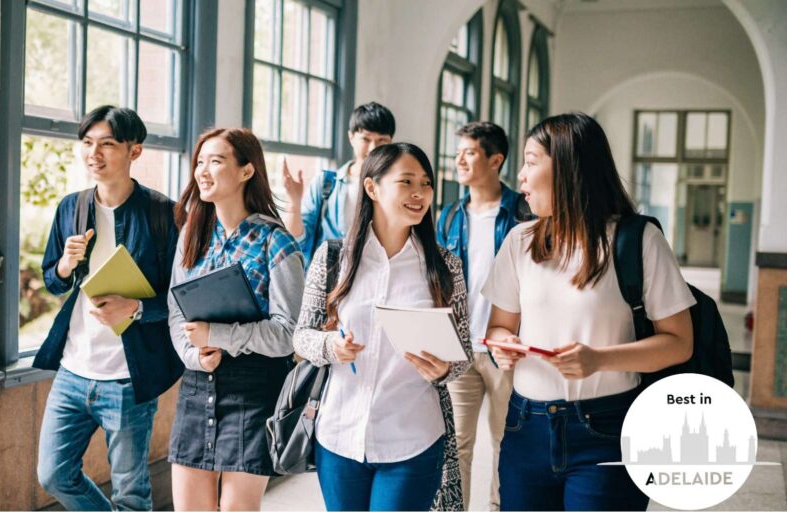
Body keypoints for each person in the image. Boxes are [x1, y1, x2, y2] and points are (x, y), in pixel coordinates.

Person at [483, 112, 695, 511]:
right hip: (525, 426)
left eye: (531, 161)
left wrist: (598, 360)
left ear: (565, 167)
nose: (521, 177)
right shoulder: (519, 241)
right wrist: (502, 345)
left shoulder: (638, 240)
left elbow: (679, 342)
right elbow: (498, 326)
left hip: (608, 428)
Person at [293, 142, 473, 511]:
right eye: (406, 182)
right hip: (339, 435)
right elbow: (301, 338)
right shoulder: (332, 259)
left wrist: (446, 368)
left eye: (426, 183)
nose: (419, 193)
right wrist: (332, 348)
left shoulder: (445, 266)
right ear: (372, 188)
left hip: (413, 437)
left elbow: (463, 352)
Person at [34, 106, 185, 510]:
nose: (93, 154)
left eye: (107, 144)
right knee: (53, 473)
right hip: (73, 370)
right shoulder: (71, 207)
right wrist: (65, 264)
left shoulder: (163, 215)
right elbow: (52, 279)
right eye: (86, 144)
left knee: (131, 494)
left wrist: (135, 307)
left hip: (127, 376)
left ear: (135, 151)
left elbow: (181, 298)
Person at [167, 128, 304, 511]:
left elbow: (288, 334)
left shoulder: (275, 241)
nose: (203, 171)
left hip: (254, 390)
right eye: (199, 162)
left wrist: (219, 335)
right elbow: (176, 311)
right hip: (197, 386)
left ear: (246, 171)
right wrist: (195, 355)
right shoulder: (193, 233)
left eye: (216, 161)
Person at [435, 121, 530, 510]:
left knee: (505, 444)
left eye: (469, 152)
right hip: (459, 348)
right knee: (456, 446)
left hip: (507, 347)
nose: (459, 159)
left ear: (496, 160)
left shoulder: (522, 214)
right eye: (458, 150)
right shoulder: (449, 216)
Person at [282, 102, 396, 266]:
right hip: (330, 282)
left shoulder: (396, 187)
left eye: (381, 140)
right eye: (366, 139)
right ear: (351, 137)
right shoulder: (326, 184)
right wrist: (294, 203)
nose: (373, 147)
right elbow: (298, 242)